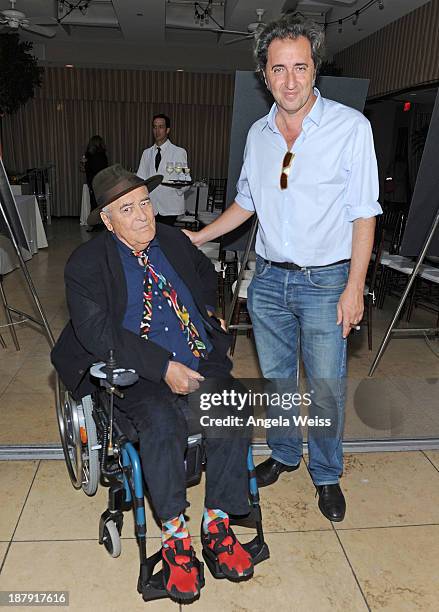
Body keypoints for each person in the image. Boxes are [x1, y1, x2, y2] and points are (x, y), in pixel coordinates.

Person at [183, 17, 382, 522]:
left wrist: (354, 286)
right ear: (264, 75)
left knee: (325, 384)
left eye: (301, 67)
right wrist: (200, 236)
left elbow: (365, 212)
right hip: (268, 278)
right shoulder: (259, 133)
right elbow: (247, 202)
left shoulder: (350, 128)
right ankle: (288, 453)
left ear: (316, 70)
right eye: (279, 69)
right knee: (277, 379)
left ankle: (327, 473)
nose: (290, 81)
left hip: (326, 280)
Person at [51, 164, 254, 603]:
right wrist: (162, 368)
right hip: (135, 368)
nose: (144, 215)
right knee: (161, 425)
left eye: (145, 202)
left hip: (194, 353)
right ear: (107, 220)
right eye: (128, 208)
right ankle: (177, 538)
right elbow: (97, 333)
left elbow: (203, 274)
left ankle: (217, 523)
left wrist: (207, 310)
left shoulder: (172, 241)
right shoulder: (86, 265)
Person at [137, 114, 188, 226]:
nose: (157, 131)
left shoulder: (179, 152)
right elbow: (140, 179)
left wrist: (179, 186)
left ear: (167, 130)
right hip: (151, 206)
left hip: (170, 206)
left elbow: (185, 178)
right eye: (155, 127)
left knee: (166, 239)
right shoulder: (146, 153)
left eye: (161, 127)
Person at [83, 134, 108, 210]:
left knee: (94, 202)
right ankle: (100, 220)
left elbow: (88, 169)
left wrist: (85, 164)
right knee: (100, 203)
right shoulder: (102, 155)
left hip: (93, 181)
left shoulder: (90, 156)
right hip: (101, 181)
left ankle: (95, 220)